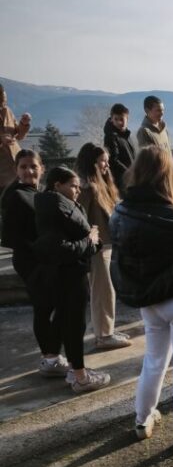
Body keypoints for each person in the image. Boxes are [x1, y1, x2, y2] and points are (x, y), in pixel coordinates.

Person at [110, 146, 173, 451]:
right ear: (166, 174)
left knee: (154, 361)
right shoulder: (171, 216)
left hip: (150, 301)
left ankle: (142, 420)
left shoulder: (121, 212)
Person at [34, 166, 110, 394]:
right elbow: (61, 249)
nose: (77, 190)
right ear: (57, 185)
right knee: (74, 325)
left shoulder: (64, 206)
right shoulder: (55, 208)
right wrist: (90, 241)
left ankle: (67, 367)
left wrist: (91, 241)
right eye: (73, 186)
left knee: (65, 322)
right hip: (68, 274)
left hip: (71, 272)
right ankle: (80, 376)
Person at [0, 148, 67, 376]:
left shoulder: (38, 192)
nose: (29, 171)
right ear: (16, 170)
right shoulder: (15, 196)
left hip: (45, 259)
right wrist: (39, 249)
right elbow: (11, 237)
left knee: (52, 306)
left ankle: (52, 355)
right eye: (23, 167)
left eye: (33, 166)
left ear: (42, 168)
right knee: (44, 307)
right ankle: (50, 358)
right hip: (32, 262)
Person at [76, 143, 132, 351]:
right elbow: (78, 218)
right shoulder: (87, 188)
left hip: (106, 245)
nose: (106, 165)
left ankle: (107, 331)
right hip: (97, 247)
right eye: (102, 161)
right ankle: (104, 335)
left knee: (106, 290)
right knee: (102, 291)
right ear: (92, 162)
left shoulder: (101, 185)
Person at [0, 84, 31, 196]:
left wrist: (24, 124)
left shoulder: (7, 111)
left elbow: (19, 136)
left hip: (17, 166)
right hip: (3, 174)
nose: (3, 102)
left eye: (4, 99)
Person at [103, 103, 136, 193]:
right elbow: (113, 160)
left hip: (131, 180)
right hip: (121, 182)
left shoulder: (126, 136)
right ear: (111, 119)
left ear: (127, 118)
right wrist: (129, 172)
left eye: (122, 119)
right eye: (116, 119)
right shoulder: (110, 137)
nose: (119, 122)